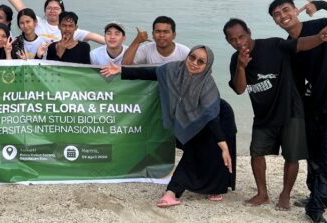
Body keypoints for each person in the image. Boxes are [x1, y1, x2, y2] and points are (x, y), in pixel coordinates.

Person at [223, 18, 327, 211]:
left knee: (292, 156)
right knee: (256, 153)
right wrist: (242, 66)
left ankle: (285, 194)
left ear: (249, 32)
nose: (239, 42)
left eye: (241, 36)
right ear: (228, 41)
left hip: (290, 109)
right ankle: (262, 193)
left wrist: (319, 37)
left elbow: (299, 44)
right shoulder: (236, 60)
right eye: (233, 40)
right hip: (263, 114)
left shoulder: (273, 45)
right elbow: (240, 89)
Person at [101, 46, 236, 207]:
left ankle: (173, 192)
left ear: (207, 66)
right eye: (192, 57)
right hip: (192, 118)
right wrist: (120, 70)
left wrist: (223, 144)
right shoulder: (173, 70)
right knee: (201, 151)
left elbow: (211, 117)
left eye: (201, 62)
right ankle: (203, 188)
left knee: (213, 151)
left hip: (218, 116)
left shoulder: (207, 83)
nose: (194, 63)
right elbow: (150, 73)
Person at [269, 0, 327, 223]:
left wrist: (322, 4)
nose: (282, 15)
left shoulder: (322, 26)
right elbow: (293, 83)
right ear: (275, 21)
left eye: (286, 9)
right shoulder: (288, 46)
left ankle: (316, 206)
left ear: (295, 11)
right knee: (314, 155)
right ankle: (318, 195)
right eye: (277, 14)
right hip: (312, 105)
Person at [122, 16, 190, 65]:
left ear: (174, 35)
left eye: (166, 32)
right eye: (158, 31)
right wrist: (136, 41)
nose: (161, 35)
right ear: (153, 35)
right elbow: (125, 65)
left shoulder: (184, 52)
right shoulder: (146, 49)